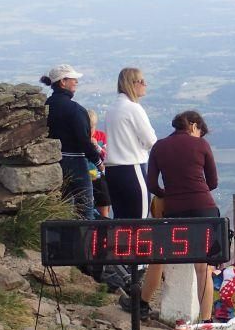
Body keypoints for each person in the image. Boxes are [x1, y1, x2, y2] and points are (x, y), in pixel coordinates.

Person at [120, 110, 220, 320]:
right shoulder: (201, 145)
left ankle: (142, 304)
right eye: (200, 131)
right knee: (203, 268)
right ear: (194, 126)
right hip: (204, 208)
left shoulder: (159, 146)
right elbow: (212, 183)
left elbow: (152, 184)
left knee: (159, 257)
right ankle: (206, 321)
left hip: (174, 210)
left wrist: (170, 194)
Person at [41, 64, 101, 220]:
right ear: (63, 82)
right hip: (75, 162)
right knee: (85, 209)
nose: (76, 82)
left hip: (53, 162)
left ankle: (62, 235)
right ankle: (85, 236)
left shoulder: (45, 105)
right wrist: (98, 161)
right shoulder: (75, 110)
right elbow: (84, 140)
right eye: (73, 79)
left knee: (61, 208)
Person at [104, 67, 156, 220]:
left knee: (120, 221)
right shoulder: (133, 108)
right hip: (132, 169)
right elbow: (150, 140)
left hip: (112, 171)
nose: (145, 84)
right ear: (132, 84)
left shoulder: (111, 109)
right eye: (142, 81)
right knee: (140, 221)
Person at [87, 110, 111, 218]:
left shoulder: (101, 136)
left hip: (99, 175)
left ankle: (105, 220)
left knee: (104, 200)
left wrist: (97, 147)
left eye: (91, 127)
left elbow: (106, 156)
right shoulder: (81, 137)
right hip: (87, 174)